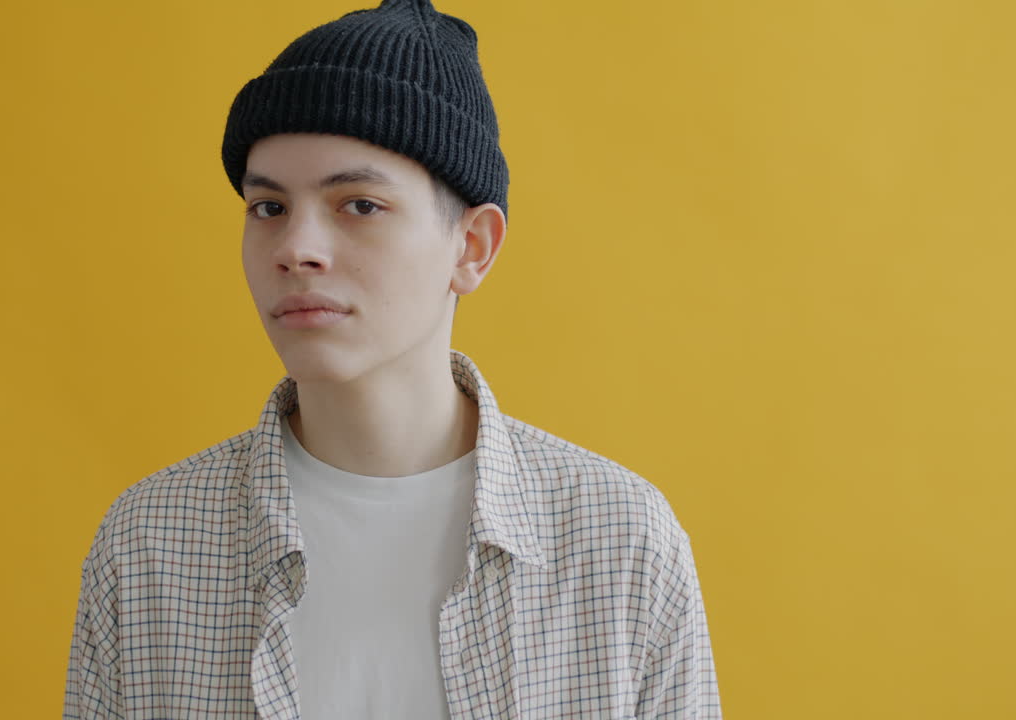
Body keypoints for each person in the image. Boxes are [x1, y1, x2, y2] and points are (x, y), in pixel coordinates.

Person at [63, 0, 722, 717]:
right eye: (269, 208)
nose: (295, 249)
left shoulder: (620, 542)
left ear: (471, 247)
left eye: (359, 205)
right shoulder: (149, 546)